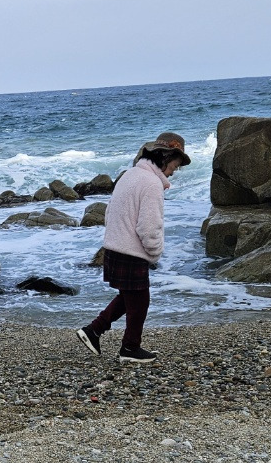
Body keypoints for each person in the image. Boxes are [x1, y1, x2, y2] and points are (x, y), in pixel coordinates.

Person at [75, 131, 190, 363]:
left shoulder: (130, 175)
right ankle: (130, 348)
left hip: (114, 247)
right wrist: (155, 252)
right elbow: (149, 226)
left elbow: (109, 212)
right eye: (174, 166)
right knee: (140, 302)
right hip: (131, 250)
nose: (174, 172)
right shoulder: (151, 183)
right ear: (165, 158)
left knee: (129, 297)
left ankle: (93, 330)